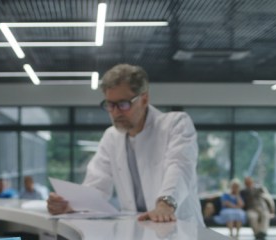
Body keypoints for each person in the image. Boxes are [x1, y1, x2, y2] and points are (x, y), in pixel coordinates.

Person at [46, 63, 203, 224]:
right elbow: (97, 186)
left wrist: (165, 204)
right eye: (110, 105)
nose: (115, 112)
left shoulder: (175, 124)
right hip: (137, 230)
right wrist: (71, 206)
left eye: (123, 104)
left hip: (178, 228)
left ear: (144, 99)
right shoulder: (111, 137)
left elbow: (180, 167)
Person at [242, 176, 275, 240]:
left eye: (249, 182)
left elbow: (268, 199)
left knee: (265, 215)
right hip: (251, 209)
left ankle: (263, 233)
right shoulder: (243, 191)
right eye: (247, 183)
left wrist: (272, 210)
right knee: (252, 217)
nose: (248, 184)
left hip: (262, 208)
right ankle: (258, 234)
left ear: (252, 182)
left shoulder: (260, 189)